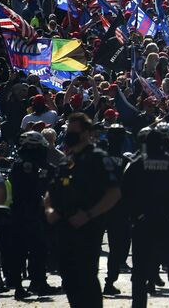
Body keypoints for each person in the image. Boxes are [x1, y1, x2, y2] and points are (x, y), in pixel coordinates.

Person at [44, 112, 121, 308]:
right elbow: (50, 192)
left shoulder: (98, 158)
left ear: (86, 133)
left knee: (86, 277)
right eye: (67, 130)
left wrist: (89, 214)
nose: (69, 134)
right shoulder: (67, 159)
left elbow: (113, 193)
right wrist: (50, 210)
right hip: (63, 227)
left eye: (73, 130)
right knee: (68, 277)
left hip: (87, 227)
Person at [122, 128, 169, 308]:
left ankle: (138, 304)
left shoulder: (136, 163)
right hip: (167, 219)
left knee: (140, 269)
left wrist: (135, 215)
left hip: (144, 221)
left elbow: (125, 192)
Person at [7, 131, 59, 299]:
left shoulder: (29, 161)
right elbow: (33, 183)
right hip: (25, 211)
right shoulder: (25, 163)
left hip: (31, 210)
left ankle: (38, 282)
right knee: (23, 249)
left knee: (38, 248)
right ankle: (19, 286)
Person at [103, 124, 133, 296]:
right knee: (117, 249)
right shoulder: (126, 162)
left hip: (96, 208)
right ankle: (109, 282)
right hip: (118, 209)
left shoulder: (98, 157)